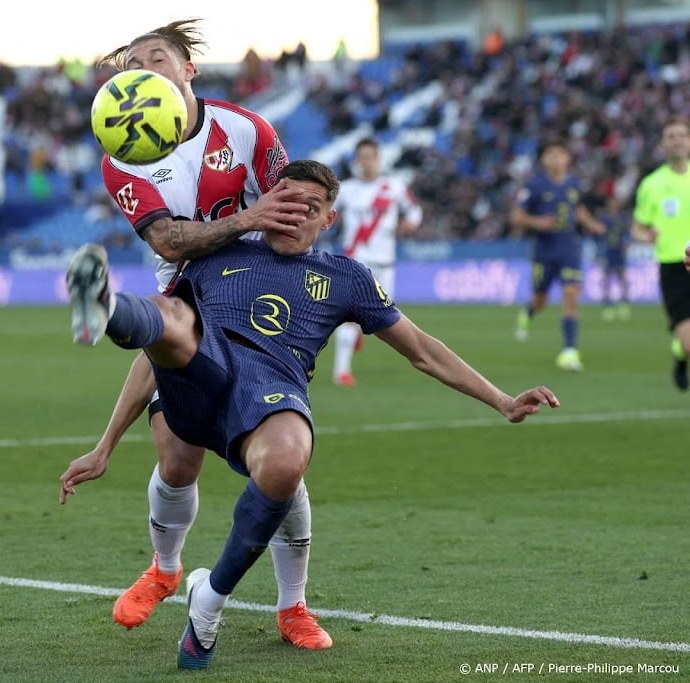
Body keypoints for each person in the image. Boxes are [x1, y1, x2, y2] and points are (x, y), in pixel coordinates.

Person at [63, 159, 560, 670]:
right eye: (286, 201)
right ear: (267, 201)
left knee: (287, 464)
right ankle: (105, 307)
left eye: (311, 208)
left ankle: (210, 601)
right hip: (202, 368)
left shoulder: (346, 278)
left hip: (268, 392)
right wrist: (107, 445)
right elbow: (159, 346)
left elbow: (422, 350)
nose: (294, 214)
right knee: (166, 316)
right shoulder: (218, 254)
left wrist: (501, 399)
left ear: (328, 221)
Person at [57, 19, 333, 650]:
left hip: (256, 308)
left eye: (158, 56)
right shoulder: (120, 157)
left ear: (188, 71)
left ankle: (293, 606)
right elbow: (169, 240)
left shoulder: (247, 130)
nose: (144, 67)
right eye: (133, 62)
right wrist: (248, 216)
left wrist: (296, 250)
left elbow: (292, 213)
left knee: (280, 462)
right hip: (184, 294)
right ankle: (164, 569)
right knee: (178, 462)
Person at [330, 137, 422, 386]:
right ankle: (342, 371)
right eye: (362, 158)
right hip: (355, 261)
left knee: (387, 317)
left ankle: (360, 331)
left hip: (385, 262)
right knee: (348, 317)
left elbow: (414, 210)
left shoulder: (393, 187)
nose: (367, 162)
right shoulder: (346, 189)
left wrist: (410, 223)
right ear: (356, 161)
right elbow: (326, 212)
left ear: (378, 159)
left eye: (371, 157)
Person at [511, 138, 606, 371]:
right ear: (544, 160)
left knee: (571, 295)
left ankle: (569, 351)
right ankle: (528, 311)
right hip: (544, 252)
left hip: (570, 249)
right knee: (541, 300)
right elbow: (517, 217)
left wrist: (592, 224)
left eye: (560, 154)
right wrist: (538, 222)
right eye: (551, 154)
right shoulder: (534, 186)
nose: (556, 159)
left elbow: (578, 210)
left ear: (567, 159)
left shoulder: (574, 184)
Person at [631, 117, 690, 392]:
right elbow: (638, 228)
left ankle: (680, 351)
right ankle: (681, 355)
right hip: (673, 267)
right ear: (663, 144)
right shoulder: (651, 185)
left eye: (682, 135)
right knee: (689, 341)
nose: (677, 139)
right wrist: (647, 236)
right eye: (671, 136)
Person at [595, 192, 631, 321]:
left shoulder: (623, 217)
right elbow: (597, 233)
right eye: (611, 201)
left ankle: (624, 303)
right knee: (607, 278)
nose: (614, 204)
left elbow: (627, 233)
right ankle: (607, 305)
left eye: (616, 201)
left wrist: (627, 243)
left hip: (619, 251)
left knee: (622, 277)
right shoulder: (603, 217)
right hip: (607, 251)